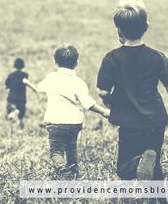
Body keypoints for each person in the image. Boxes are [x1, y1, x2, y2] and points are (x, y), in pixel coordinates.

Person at [97, 0, 168, 203]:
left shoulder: (112, 58)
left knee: (125, 168)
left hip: (129, 123)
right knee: (153, 164)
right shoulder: (157, 57)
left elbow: (102, 92)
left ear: (118, 30)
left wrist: (113, 103)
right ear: (146, 27)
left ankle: (136, 170)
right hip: (155, 122)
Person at [24, 44, 110, 177]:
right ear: (77, 62)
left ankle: (62, 171)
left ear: (55, 62)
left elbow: (39, 88)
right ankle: (74, 172)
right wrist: (104, 111)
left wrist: (28, 83)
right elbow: (87, 103)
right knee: (71, 148)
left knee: (56, 152)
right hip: (74, 124)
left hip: (56, 123)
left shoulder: (51, 78)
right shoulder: (79, 82)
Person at [5, 58, 29, 129]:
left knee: (10, 109)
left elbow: (6, 86)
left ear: (14, 65)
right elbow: (26, 82)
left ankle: (13, 111)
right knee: (21, 116)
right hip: (21, 98)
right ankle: (21, 129)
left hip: (12, 97)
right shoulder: (25, 75)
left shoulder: (10, 75)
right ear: (23, 66)